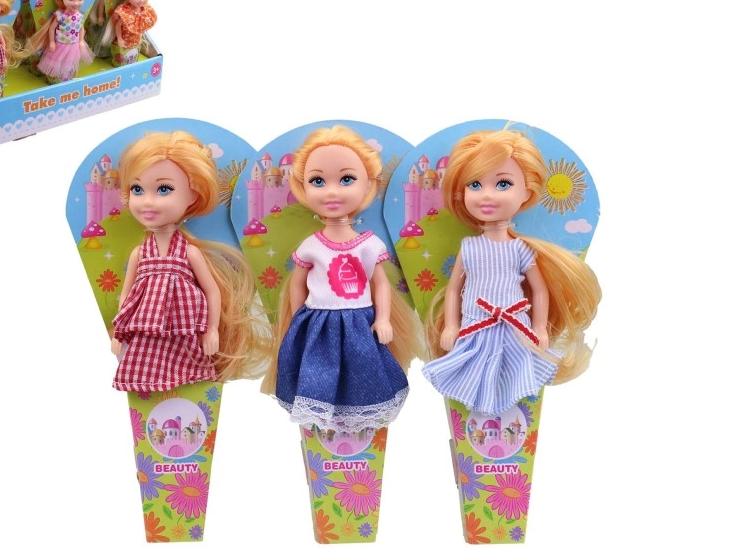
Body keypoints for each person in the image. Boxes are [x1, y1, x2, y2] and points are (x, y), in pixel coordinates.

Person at [421, 129, 601, 415]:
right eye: (475, 184)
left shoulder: (519, 249)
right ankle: (478, 414)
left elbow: (539, 290)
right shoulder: (469, 247)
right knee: (476, 373)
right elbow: (454, 289)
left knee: (516, 371)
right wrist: (451, 326)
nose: (487, 195)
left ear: (526, 193)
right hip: (475, 326)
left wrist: (539, 327)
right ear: (461, 192)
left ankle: (508, 415)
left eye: (503, 184)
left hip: (515, 326)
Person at [261, 125, 422, 432]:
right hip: (318, 323)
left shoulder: (368, 244)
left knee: (364, 370)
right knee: (317, 374)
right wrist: (296, 320)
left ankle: (360, 427)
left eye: (346, 179)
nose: (332, 191)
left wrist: (383, 318)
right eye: (318, 181)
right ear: (303, 186)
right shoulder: (311, 246)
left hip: (360, 321)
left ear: (368, 184)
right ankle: (323, 430)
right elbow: (297, 283)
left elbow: (380, 283)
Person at [110, 131, 269, 392]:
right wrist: (119, 331)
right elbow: (127, 296)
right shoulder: (140, 253)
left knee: (188, 371)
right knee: (145, 370)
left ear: (193, 196)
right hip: (146, 332)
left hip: (183, 331)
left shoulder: (189, 252)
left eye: (164, 189)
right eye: (137, 189)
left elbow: (212, 290)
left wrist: (211, 330)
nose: (147, 201)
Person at [29, 0, 95, 83]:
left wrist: (81, 41)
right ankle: (55, 79)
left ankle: (65, 77)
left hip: (74, 45)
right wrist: (51, 42)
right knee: (56, 62)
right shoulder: (60, 15)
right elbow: (51, 29)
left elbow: (81, 28)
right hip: (61, 44)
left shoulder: (80, 15)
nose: (76, 3)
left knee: (69, 62)